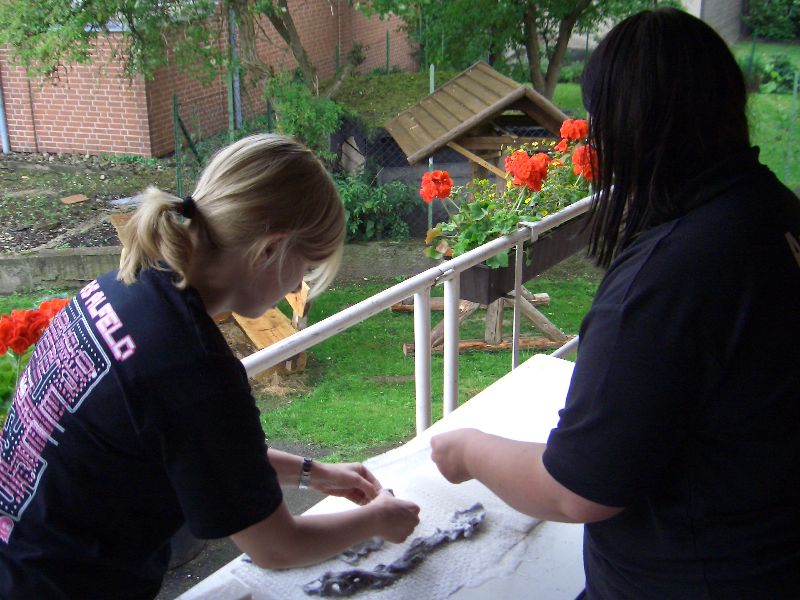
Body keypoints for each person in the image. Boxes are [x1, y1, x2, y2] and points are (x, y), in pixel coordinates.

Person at [430, 8, 800, 599]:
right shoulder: (771, 209)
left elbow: (575, 490)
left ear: (632, 124)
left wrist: (468, 449)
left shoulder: (671, 277)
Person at [0, 134, 420, 599]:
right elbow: (277, 546)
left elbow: (199, 446)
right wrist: (377, 520)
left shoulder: (123, 289)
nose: (298, 284)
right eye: (304, 266)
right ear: (268, 251)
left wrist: (311, 471)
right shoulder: (190, 367)